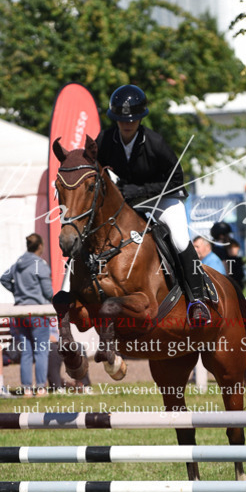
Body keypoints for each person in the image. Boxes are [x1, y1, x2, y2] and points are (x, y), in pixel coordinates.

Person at [95, 84, 212, 326]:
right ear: (115, 119)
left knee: (179, 239)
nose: (127, 124)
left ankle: (198, 301)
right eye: (122, 120)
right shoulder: (105, 141)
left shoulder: (155, 142)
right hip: (128, 204)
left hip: (165, 199)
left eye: (133, 119)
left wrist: (139, 190)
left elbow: (176, 179)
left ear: (140, 119)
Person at [0, 233, 53, 397]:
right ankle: (41, 387)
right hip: (38, 311)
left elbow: (3, 279)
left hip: (20, 311)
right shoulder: (40, 265)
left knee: (27, 351)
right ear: (40, 247)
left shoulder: (18, 263)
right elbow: (48, 292)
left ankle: (27, 389)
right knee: (41, 350)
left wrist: (17, 292)